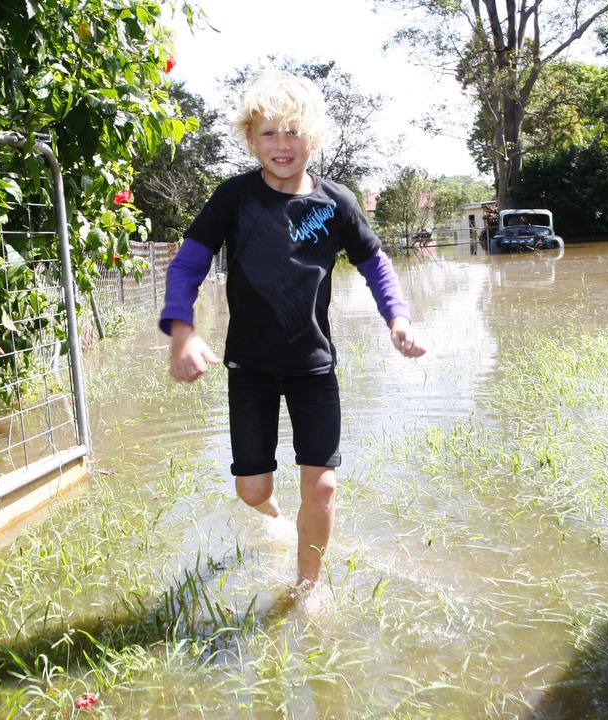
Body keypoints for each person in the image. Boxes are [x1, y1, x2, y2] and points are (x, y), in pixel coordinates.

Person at [158, 70, 426, 594]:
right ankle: (274, 515)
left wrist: (398, 319)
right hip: (250, 369)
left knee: (322, 486)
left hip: (313, 369)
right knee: (253, 490)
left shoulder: (336, 205)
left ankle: (307, 590)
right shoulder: (234, 198)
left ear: (315, 136)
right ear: (250, 138)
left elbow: (376, 265)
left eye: (293, 131)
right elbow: (187, 265)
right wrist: (183, 332)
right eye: (268, 133)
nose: (282, 144)